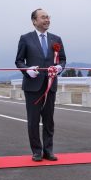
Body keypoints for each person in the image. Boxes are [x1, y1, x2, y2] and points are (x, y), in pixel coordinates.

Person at [15, 9, 66, 161]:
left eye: (48, 17)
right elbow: (19, 61)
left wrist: (59, 67)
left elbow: (62, 59)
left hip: (50, 84)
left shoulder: (56, 39)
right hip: (32, 85)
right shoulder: (25, 38)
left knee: (49, 119)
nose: (47, 20)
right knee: (33, 119)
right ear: (34, 21)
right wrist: (27, 70)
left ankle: (48, 150)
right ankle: (36, 151)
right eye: (43, 17)